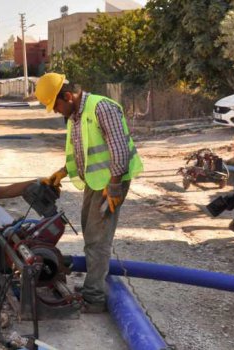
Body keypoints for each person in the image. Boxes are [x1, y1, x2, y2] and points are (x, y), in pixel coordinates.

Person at [35, 73, 143, 313]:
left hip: (111, 183)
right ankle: (92, 286)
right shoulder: (75, 115)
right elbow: (83, 152)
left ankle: (94, 298)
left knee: (98, 239)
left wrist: (114, 187)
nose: (55, 111)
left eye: (56, 105)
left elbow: (120, 151)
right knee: (90, 232)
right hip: (97, 182)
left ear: (67, 96)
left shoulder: (101, 108)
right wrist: (63, 172)